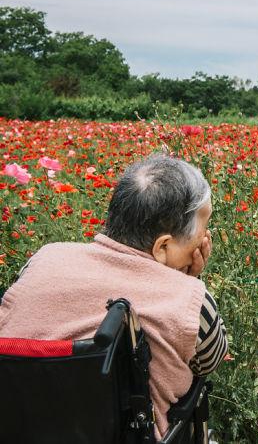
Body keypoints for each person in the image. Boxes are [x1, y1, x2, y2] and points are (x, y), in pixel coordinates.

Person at [0, 155, 228, 438]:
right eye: (202, 235)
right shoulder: (190, 300)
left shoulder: (43, 259)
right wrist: (188, 281)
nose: (204, 244)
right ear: (163, 247)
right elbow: (211, 360)